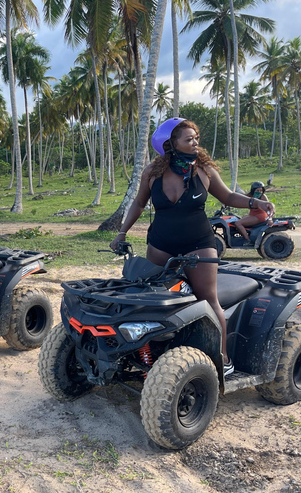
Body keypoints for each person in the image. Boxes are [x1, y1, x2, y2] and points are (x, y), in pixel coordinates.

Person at [109, 118, 275, 376]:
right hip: (160, 244)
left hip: (198, 243)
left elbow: (228, 196)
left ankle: (223, 359)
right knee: (153, 298)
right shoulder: (152, 172)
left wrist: (256, 203)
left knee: (209, 299)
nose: (195, 142)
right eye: (189, 139)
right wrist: (122, 232)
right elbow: (139, 204)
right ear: (170, 144)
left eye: (196, 138)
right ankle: (155, 354)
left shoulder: (204, 170)